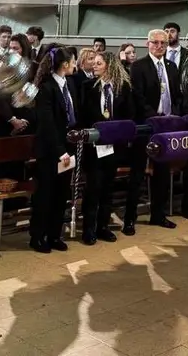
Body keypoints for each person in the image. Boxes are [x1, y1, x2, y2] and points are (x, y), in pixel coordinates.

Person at [126, 29, 181, 233]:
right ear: (147, 43)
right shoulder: (139, 66)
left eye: (163, 43)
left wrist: (174, 116)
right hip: (145, 125)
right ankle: (129, 219)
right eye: (155, 42)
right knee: (137, 174)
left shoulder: (171, 66)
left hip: (166, 127)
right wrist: (154, 118)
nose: (159, 46)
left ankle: (158, 215)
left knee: (162, 173)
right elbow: (138, 96)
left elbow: (177, 95)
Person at [78, 52, 133, 245]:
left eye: (99, 63)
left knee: (108, 188)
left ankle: (103, 227)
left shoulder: (123, 88)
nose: (94, 65)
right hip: (94, 147)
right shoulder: (87, 87)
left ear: (109, 66)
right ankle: (88, 229)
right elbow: (82, 115)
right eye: (94, 62)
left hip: (114, 147)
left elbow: (128, 115)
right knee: (93, 188)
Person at [29, 46, 78, 254]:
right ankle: (38, 236)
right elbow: (47, 124)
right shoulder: (46, 87)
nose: (75, 65)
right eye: (73, 61)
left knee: (61, 194)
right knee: (45, 195)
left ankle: (54, 234)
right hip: (50, 151)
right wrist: (60, 151)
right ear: (65, 64)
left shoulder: (69, 84)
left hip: (67, 147)